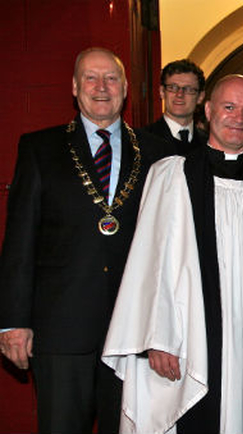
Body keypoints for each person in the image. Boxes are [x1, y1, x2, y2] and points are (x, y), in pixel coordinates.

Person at [102, 74, 243, 434]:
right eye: (229, 107)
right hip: (190, 340)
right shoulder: (171, 175)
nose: (238, 117)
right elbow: (149, 265)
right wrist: (157, 338)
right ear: (207, 111)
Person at [0, 47, 172, 433]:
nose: (101, 87)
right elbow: (19, 242)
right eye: (91, 78)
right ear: (75, 87)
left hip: (134, 334)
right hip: (61, 332)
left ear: (125, 88)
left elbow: (171, 249)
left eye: (110, 78)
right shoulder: (39, 149)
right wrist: (12, 322)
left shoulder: (158, 154)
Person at [146, 59, 208, 155]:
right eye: (173, 87)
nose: (179, 94)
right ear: (162, 92)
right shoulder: (141, 141)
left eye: (188, 89)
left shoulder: (210, 145)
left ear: (200, 97)